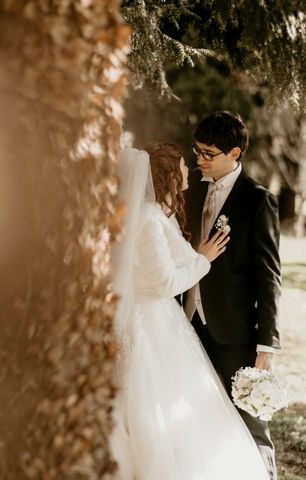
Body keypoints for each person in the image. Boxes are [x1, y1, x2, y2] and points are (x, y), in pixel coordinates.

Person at [110, 142, 270, 480]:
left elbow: (173, 260)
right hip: (150, 324)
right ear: (168, 175)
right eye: (183, 165)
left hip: (161, 321)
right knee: (154, 404)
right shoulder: (149, 220)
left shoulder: (154, 215)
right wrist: (204, 261)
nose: (189, 170)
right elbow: (167, 282)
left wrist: (196, 256)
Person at [184, 111, 282, 479]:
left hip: (234, 334)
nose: (200, 160)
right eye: (197, 151)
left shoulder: (257, 201)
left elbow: (269, 278)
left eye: (209, 153)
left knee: (250, 420)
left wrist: (266, 346)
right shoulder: (191, 189)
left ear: (235, 154)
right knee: (198, 417)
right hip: (187, 327)